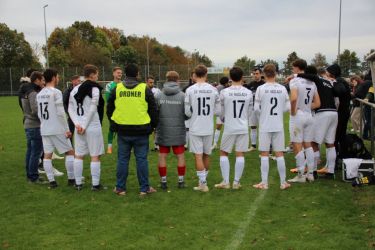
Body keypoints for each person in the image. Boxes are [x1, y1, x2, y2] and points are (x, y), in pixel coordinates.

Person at [107, 64, 158, 196]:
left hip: (123, 129)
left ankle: (120, 188)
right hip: (141, 129)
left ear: (125, 74)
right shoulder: (144, 88)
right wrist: (153, 125)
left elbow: (109, 107)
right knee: (141, 159)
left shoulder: (117, 88)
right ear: (137, 74)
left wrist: (113, 122)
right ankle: (144, 188)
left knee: (123, 159)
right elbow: (153, 109)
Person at [252, 64, 291, 190]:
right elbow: (288, 107)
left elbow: (256, 109)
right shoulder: (282, 89)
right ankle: (283, 182)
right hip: (278, 124)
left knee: (264, 154)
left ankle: (264, 182)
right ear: (276, 73)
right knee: (279, 153)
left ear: (264, 73)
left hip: (265, 124)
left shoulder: (261, 89)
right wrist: (279, 111)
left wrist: (263, 115)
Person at [296, 67, 339, 179]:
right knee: (330, 143)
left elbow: (313, 77)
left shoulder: (317, 80)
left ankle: (313, 171)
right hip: (334, 113)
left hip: (323, 113)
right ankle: (330, 172)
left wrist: (297, 75)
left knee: (314, 143)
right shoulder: (329, 82)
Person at [214, 67, 252, 190]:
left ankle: (226, 181)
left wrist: (224, 119)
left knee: (224, 152)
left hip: (230, 126)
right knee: (240, 154)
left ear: (230, 77)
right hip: (242, 127)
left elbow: (220, 111)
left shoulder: (224, 92)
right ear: (242, 77)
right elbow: (250, 111)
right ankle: (236, 182)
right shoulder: (248, 92)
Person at [68, 64, 105, 191]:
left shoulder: (74, 89)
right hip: (92, 125)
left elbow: (70, 108)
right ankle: (95, 185)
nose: (98, 76)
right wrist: (83, 125)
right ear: (92, 74)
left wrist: (77, 124)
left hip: (79, 126)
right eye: (97, 74)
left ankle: (78, 184)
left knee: (78, 155)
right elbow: (93, 109)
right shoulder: (95, 89)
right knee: (95, 155)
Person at [37, 69, 75, 188]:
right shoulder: (56, 92)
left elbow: (39, 113)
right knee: (70, 152)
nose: (58, 79)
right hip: (57, 128)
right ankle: (71, 179)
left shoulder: (39, 94)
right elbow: (60, 112)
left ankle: (52, 182)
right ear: (53, 78)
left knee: (47, 155)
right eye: (57, 77)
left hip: (44, 128)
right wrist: (67, 129)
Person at [185, 65, 220, 192]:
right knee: (206, 155)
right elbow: (218, 110)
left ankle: (203, 184)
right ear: (206, 74)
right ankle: (202, 182)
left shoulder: (190, 90)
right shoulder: (213, 89)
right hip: (208, 126)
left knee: (198, 156)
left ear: (195, 74)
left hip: (195, 126)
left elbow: (187, 112)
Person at [287, 60, 321, 183]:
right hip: (309, 115)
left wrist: (293, 111)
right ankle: (310, 173)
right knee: (308, 145)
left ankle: (301, 175)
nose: (292, 70)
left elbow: (294, 98)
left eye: (293, 68)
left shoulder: (294, 80)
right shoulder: (312, 82)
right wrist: (306, 107)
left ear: (297, 68)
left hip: (299, 116)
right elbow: (317, 103)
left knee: (297, 145)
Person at [155, 71, 186, 190]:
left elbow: (155, 112)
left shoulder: (158, 95)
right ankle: (181, 181)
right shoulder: (183, 96)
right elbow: (187, 114)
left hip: (163, 130)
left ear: (166, 80)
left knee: (162, 156)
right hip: (178, 130)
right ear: (177, 80)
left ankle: (163, 182)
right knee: (180, 156)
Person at [20, 71, 46, 183]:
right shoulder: (33, 93)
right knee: (36, 152)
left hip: (28, 124)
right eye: (42, 80)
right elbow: (35, 110)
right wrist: (45, 117)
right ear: (37, 80)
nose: (43, 82)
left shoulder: (26, 90)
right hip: (35, 125)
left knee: (31, 151)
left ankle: (30, 175)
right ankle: (33, 177)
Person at [325, 64, 351, 160]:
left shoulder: (339, 81)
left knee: (337, 136)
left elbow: (340, 91)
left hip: (341, 113)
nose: (326, 73)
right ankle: (342, 155)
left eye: (328, 71)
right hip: (343, 112)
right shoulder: (341, 80)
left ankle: (338, 156)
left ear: (332, 72)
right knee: (340, 135)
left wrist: (333, 85)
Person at [244, 67, 265, 151]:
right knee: (253, 127)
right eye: (254, 74)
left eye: (257, 73)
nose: (255, 75)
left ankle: (264, 145)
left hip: (262, 109)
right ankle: (253, 145)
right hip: (252, 109)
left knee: (263, 127)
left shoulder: (264, 85)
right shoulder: (250, 84)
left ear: (261, 74)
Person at [104, 67, 123, 154]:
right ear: (113, 74)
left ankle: (122, 146)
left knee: (123, 128)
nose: (119, 74)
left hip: (122, 111)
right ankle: (109, 147)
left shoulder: (124, 85)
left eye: (121, 73)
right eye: (118, 73)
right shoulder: (109, 85)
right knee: (112, 128)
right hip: (112, 110)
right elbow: (108, 99)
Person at [212, 76, 229, 149]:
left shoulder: (216, 88)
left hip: (219, 110)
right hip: (225, 110)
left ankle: (215, 143)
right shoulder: (224, 89)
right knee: (227, 128)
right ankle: (225, 144)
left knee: (218, 127)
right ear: (226, 82)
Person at [146, 76, 161, 151]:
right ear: (146, 82)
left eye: (152, 82)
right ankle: (146, 146)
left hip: (155, 112)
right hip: (145, 112)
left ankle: (156, 146)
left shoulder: (157, 90)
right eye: (150, 82)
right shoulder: (143, 90)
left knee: (156, 129)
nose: (152, 84)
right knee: (146, 129)